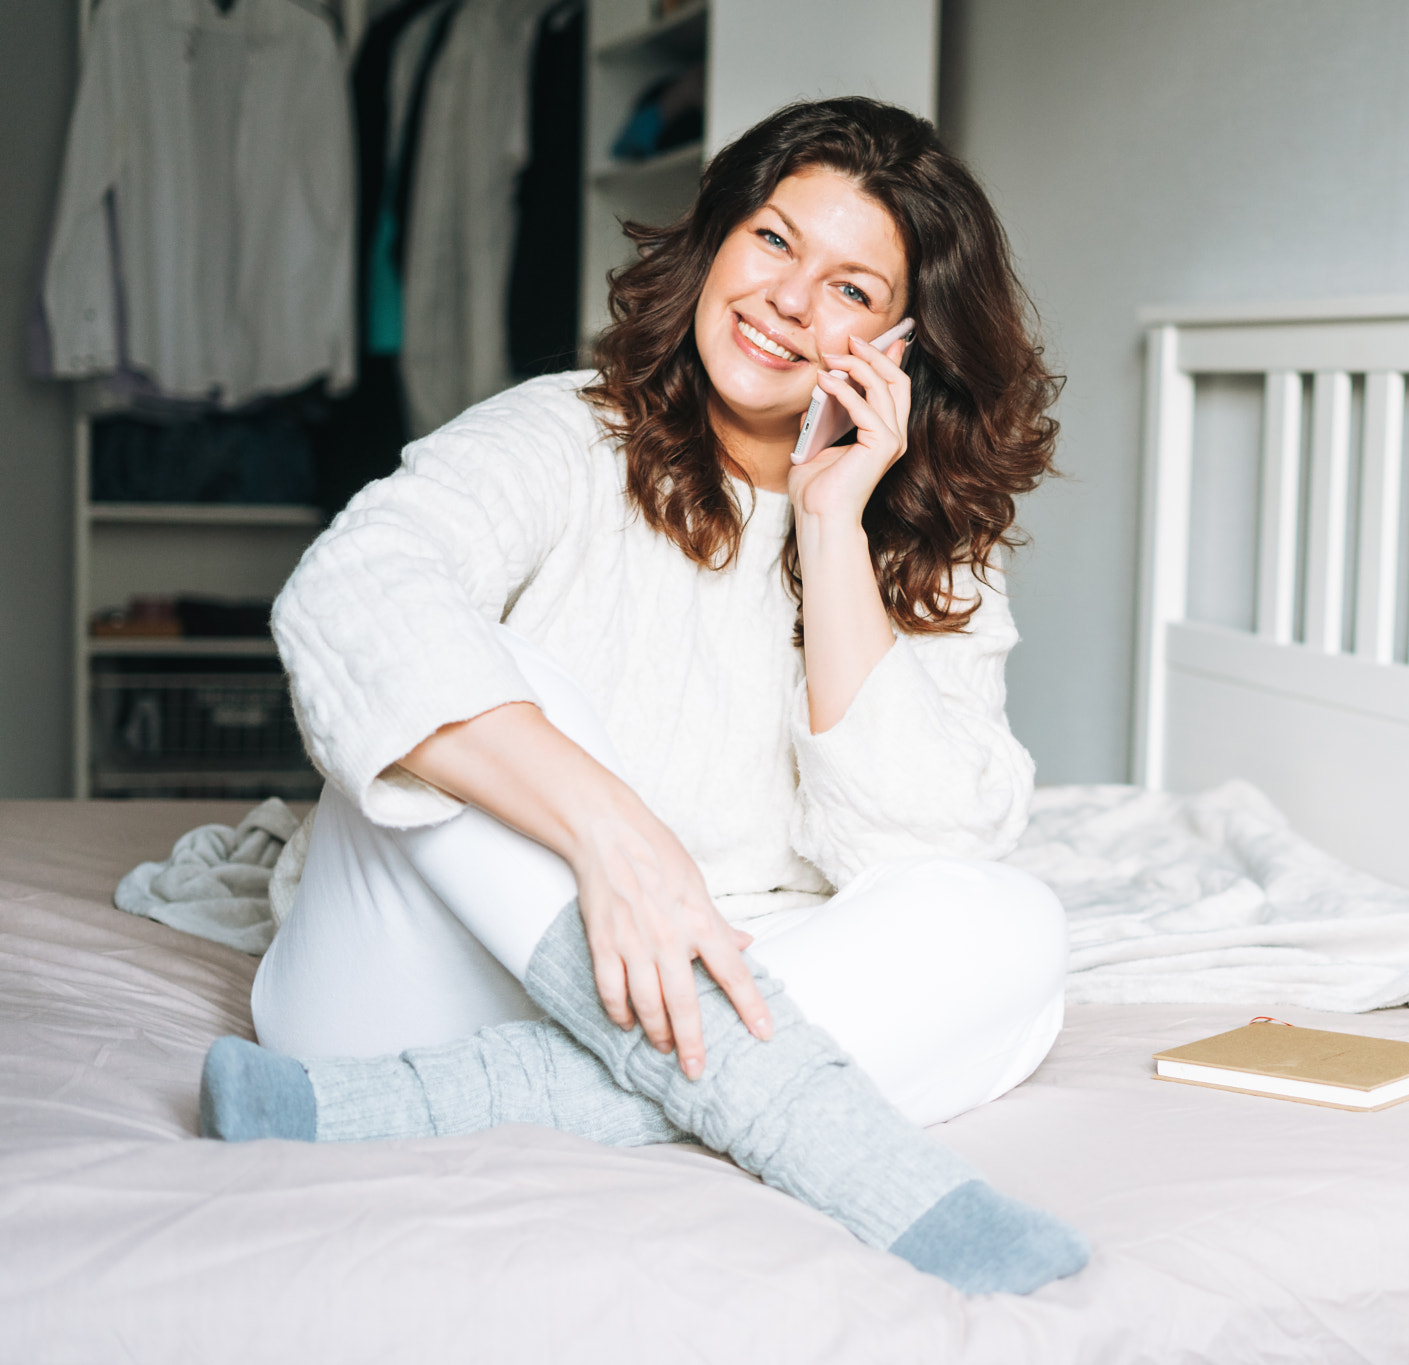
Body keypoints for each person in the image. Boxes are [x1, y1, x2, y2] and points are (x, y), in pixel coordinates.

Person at [197, 98, 1087, 1296]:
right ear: (716, 239)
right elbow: (347, 594)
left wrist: (830, 528)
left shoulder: (929, 552)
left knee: (1013, 927)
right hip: (415, 978)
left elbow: (918, 849)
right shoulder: (564, 432)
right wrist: (612, 836)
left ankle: (428, 1110)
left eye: (852, 289)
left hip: (698, 980)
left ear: (905, 347)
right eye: (773, 240)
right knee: (510, 683)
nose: (787, 297)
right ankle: (835, 1144)